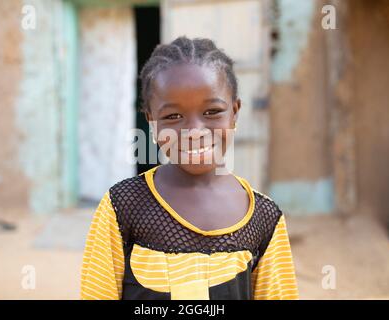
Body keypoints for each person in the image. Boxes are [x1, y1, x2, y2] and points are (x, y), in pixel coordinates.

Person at [80, 36, 299, 300]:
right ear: (151, 121)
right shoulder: (122, 207)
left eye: (212, 112)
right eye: (173, 116)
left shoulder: (264, 218)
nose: (194, 132)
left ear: (235, 112)